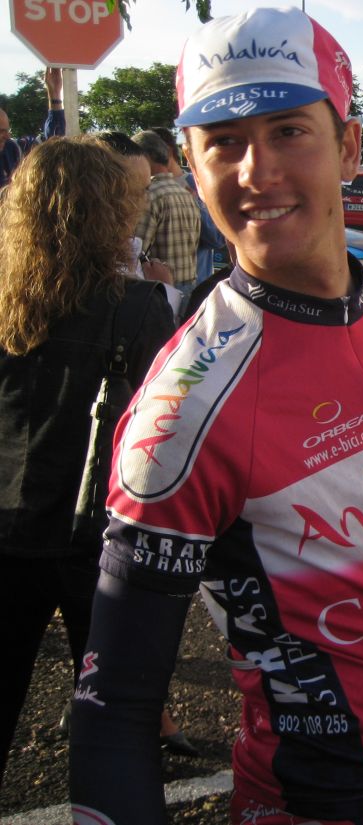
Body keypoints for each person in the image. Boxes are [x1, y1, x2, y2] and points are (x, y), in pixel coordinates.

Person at [69, 8, 363, 825]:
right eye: (224, 141)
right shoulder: (182, 409)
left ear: (349, 146)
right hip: (320, 805)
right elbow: (113, 713)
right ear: (190, 164)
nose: (257, 170)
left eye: (289, 130)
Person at [0, 136, 176, 786]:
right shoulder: (138, 307)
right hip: (99, 538)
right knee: (116, 722)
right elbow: (165, 436)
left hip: (9, 525)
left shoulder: (7, 300)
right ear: (107, 213)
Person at [130, 129, 202, 305]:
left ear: (145, 157)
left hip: (161, 288)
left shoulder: (150, 196)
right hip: (190, 284)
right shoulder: (186, 193)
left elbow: (135, 250)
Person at [151, 125, 227, 288]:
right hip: (159, 288)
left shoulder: (198, 184)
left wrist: (195, 202)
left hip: (197, 285)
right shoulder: (148, 188)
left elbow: (218, 239)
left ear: (166, 151)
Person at [0, 67, 65, 187]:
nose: (7, 136)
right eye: (1, 131)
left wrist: (55, 95)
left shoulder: (12, 150)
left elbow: (52, 144)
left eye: (7, 131)